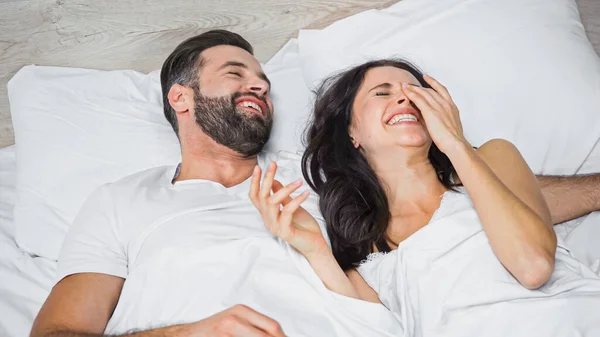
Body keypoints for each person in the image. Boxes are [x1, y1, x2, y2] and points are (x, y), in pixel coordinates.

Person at [32, 29, 599, 336]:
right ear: (179, 98)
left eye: (264, 81)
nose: (259, 87)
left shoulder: (341, 198)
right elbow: (57, 333)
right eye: (236, 74)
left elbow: (477, 209)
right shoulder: (124, 200)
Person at [251, 59, 600, 336]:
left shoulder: (493, 160)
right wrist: (313, 247)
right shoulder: (367, 257)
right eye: (382, 93)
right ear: (351, 131)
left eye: (417, 92)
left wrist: (455, 142)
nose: (406, 98)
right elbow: (368, 327)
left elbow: (533, 266)